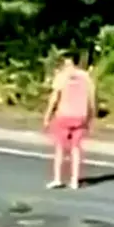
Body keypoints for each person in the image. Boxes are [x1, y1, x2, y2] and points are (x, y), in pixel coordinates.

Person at [43, 56, 96, 190]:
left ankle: (57, 179)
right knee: (76, 148)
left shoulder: (62, 77)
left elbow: (54, 98)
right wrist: (91, 118)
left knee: (60, 148)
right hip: (81, 116)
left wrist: (47, 116)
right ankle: (74, 181)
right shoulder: (86, 77)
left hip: (64, 115)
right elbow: (92, 100)